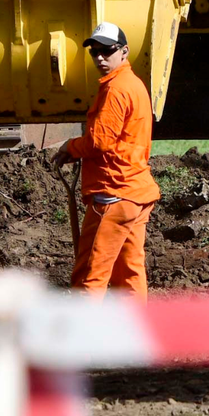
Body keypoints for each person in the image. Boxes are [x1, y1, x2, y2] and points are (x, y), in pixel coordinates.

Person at [50, 23, 160, 301]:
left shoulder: (116, 89)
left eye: (107, 50)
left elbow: (99, 141)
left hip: (113, 195)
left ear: (124, 51)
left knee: (90, 275)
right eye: (94, 52)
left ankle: (81, 342)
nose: (100, 57)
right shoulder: (133, 84)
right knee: (129, 274)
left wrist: (70, 147)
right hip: (134, 193)